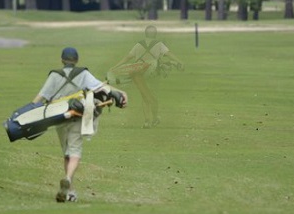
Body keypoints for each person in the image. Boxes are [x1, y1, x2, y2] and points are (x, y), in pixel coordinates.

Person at [32, 47, 128, 203]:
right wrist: (121, 93)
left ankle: (70, 190)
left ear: (62, 60)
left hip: (59, 118)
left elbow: (41, 96)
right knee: (75, 151)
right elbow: (101, 87)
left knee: (67, 153)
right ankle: (68, 179)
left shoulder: (54, 76)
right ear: (76, 60)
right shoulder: (83, 74)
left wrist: (27, 111)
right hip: (77, 116)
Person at [110, 25, 183, 128]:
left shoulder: (138, 45)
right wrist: (179, 61)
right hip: (153, 73)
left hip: (139, 73)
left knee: (145, 96)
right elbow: (169, 54)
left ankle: (147, 121)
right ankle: (154, 119)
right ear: (156, 34)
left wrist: (116, 67)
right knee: (152, 97)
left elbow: (128, 57)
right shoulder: (159, 44)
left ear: (145, 33)